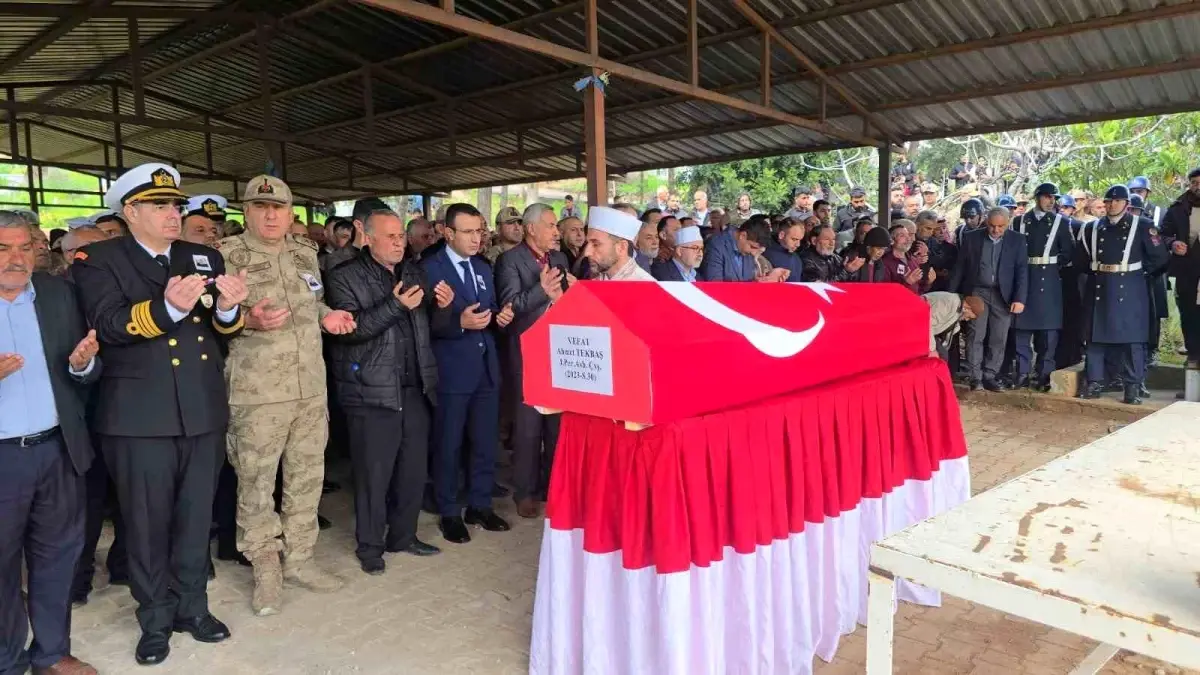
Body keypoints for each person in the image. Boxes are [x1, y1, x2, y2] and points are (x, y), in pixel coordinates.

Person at [71, 163, 247, 665]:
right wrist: (165, 310)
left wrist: (231, 311)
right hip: (138, 415)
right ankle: (155, 618)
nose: (174, 213)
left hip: (201, 406)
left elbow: (216, 330)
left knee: (196, 517)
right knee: (146, 523)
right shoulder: (98, 259)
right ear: (130, 212)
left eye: (176, 205)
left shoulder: (202, 255)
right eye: (161, 206)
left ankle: (194, 607)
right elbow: (107, 323)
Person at [214, 176, 356, 615]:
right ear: (247, 212)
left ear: (291, 212)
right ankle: (266, 571)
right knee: (256, 485)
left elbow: (311, 304)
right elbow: (209, 320)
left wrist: (329, 315)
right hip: (257, 394)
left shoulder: (304, 254)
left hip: (310, 388)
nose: (271, 215)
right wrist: (249, 320)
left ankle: (300, 559)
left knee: (307, 478)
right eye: (261, 207)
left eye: (278, 208)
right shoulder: (224, 256)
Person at [0, 211, 102, 675]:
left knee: (58, 556)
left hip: (57, 449)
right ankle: (6, 657)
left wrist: (82, 364)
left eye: (24, 247)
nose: (15, 259)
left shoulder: (59, 295)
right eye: (2, 249)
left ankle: (51, 653)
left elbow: (82, 374)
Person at [325, 208, 445, 574]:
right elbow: (351, 330)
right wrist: (396, 305)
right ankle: (370, 546)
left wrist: (442, 305)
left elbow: (425, 325)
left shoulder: (413, 270)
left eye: (400, 237)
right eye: (390, 236)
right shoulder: (344, 276)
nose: (398, 243)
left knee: (412, 469)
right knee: (374, 474)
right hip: (371, 389)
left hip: (414, 385)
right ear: (368, 236)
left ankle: (403, 535)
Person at [421, 203, 514, 544]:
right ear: (447, 232)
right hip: (451, 369)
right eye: (468, 232)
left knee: (484, 441)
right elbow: (422, 323)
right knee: (449, 442)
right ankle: (448, 511)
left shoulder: (481, 267)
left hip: (485, 366)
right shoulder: (429, 268)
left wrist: (498, 317)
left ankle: (479, 504)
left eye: (480, 231)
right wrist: (457, 323)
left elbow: (485, 308)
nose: (477, 238)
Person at [495, 203, 570, 519]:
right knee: (527, 429)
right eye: (551, 225)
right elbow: (511, 306)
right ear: (531, 229)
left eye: (556, 226)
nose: (556, 232)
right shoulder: (509, 261)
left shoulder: (560, 258)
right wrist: (541, 291)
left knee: (557, 427)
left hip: (561, 352)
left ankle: (552, 487)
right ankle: (524, 492)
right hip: (528, 353)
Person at [1076, 185, 1169, 404]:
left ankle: (1132, 386)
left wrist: (1140, 275)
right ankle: (1095, 382)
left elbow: (1160, 258)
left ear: (1127, 204)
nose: (1111, 205)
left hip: (1131, 289)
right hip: (1100, 286)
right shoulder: (1092, 228)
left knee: (1132, 341)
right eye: (1108, 201)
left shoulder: (1143, 226)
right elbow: (1080, 259)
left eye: (1117, 201)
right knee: (1095, 338)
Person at [950, 206, 1029, 392]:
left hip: (1004, 295)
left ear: (1008, 224)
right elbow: (960, 268)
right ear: (986, 222)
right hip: (978, 292)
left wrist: (1020, 298)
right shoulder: (972, 238)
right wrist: (952, 295)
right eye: (992, 226)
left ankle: (990, 375)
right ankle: (975, 377)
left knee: (999, 337)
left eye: (1001, 226)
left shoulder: (1017, 240)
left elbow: (1022, 271)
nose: (996, 230)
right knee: (975, 335)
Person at [1010, 183, 1075, 391]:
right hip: (1024, 278)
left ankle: (1044, 374)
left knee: (1048, 334)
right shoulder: (1019, 221)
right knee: (1021, 331)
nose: (1051, 201)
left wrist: (1054, 266)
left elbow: (1069, 253)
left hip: (1049, 282)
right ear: (1037, 198)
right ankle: (1021, 373)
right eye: (1047, 197)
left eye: (1053, 198)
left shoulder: (1061, 223)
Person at [1160, 168, 1200, 371]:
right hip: (1187, 273)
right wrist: (1173, 243)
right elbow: (1162, 234)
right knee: (1189, 314)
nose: (1197, 186)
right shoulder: (1178, 208)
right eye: (1194, 182)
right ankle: (1193, 357)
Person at [700, 215, 782, 281]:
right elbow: (714, 286)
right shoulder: (716, 245)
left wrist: (763, 280)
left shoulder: (746, 248)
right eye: (752, 247)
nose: (753, 253)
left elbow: (747, 281)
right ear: (743, 235)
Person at [586, 206, 657, 281]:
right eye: (588, 243)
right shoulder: (598, 280)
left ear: (621, 247)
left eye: (596, 244)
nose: (587, 253)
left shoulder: (644, 287)